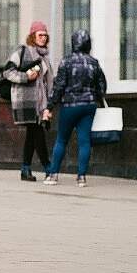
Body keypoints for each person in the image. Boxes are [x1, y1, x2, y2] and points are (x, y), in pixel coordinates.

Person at [42, 28, 106, 188]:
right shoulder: (94, 62)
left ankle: (53, 175)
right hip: (89, 106)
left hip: (70, 106)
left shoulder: (66, 61)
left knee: (62, 139)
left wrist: (49, 107)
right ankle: (81, 177)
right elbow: (102, 86)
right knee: (85, 141)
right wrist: (95, 98)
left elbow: (59, 87)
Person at [2, 21, 52, 181]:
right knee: (37, 133)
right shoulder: (22, 51)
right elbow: (7, 72)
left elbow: (48, 82)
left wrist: (48, 104)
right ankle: (49, 167)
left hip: (40, 103)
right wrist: (25, 77)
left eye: (45, 35)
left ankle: (25, 169)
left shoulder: (45, 57)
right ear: (32, 36)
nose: (43, 38)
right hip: (26, 101)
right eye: (40, 35)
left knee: (32, 134)